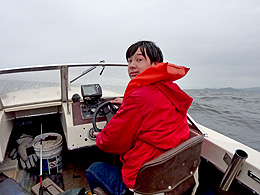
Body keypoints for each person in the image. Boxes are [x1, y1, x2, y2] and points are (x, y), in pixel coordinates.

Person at [86, 41, 193, 195]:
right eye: (129, 61)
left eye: (139, 60)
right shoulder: (172, 90)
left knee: (94, 169)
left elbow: (111, 142)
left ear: (156, 63)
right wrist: (128, 101)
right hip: (171, 175)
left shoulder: (139, 98)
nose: (131, 65)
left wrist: (100, 136)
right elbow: (153, 105)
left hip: (141, 184)